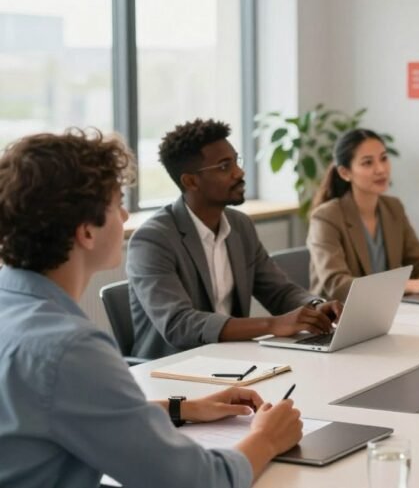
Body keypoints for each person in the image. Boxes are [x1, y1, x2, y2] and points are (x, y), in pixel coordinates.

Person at [0, 129, 303, 487]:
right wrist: (267, 438)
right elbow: (198, 481)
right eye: (117, 204)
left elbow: (66, 408)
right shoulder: (71, 349)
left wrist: (185, 408)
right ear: (87, 232)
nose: (126, 216)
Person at [127, 119, 341, 360]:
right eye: (223, 166)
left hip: (232, 361)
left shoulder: (240, 226)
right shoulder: (152, 240)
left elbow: (278, 291)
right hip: (172, 370)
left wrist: (315, 307)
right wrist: (272, 325)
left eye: (235, 161)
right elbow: (179, 324)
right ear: (191, 181)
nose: (239, 172)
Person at [307, 128, 419, 302]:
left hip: (386, 310)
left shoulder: (393, 207)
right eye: (367, 163)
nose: (380, 169)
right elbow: (337, 285)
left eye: (384, 159)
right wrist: (407, 285)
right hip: (338, 317)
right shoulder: (326, 217)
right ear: (345, 173)